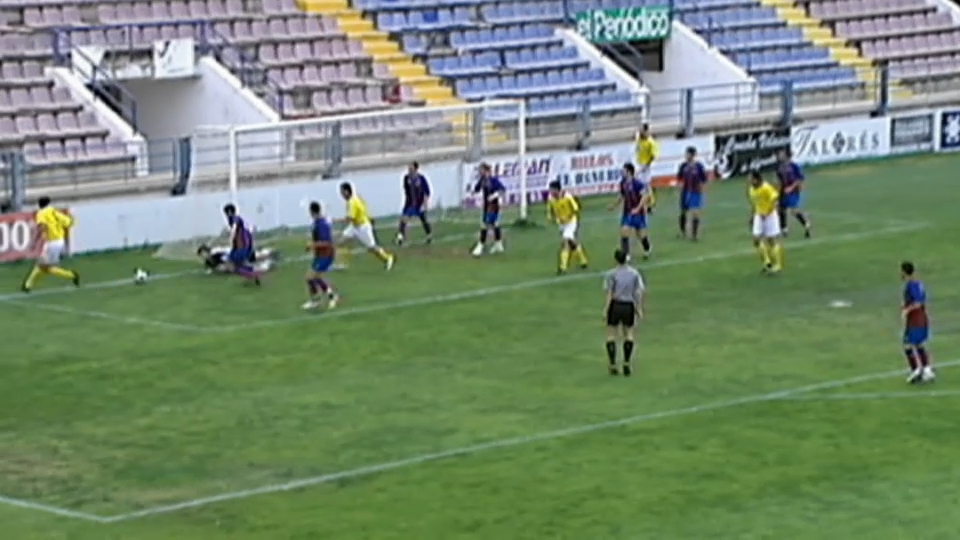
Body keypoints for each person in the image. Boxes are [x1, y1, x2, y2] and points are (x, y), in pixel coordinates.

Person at [21, 196, 79, 292]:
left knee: (43, 266)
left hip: (52, 243)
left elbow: (41, 227)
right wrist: (72, 219)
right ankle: (27, 285)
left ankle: (27, 285)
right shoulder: (55, 211)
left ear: (39, 205)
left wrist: (34, 241)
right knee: (45, 267)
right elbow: (68, 222)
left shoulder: (41, 213)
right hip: (59, 241)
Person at [603, 249, 645, 376]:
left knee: (611, 335)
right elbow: (638, 292)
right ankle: (626, 362)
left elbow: (610, 293)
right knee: (629, 334)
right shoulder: (634, 274)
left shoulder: (611, 274)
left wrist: (606, 309)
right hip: (628, 305)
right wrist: (638, 308)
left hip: (615, 305)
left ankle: (612, 364)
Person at [338, 182, 394, 270]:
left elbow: (350, 218)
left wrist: (334, 220)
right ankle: (342, 263)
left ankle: (387, 258)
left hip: (362, 227)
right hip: (355, 226)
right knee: (341, 241)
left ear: (346, 192)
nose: (341, 194)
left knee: (372, 248)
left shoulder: (352, 202)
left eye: (341, 192)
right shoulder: (355, 198)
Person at [608, 162, 652, 259]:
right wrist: (614, 205)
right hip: (627, 212)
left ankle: (647, 247)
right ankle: (626, 254)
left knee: (640, 234)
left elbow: (645, 196)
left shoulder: (637, 183)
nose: (622, 172)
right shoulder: (622, 183)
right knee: (624, 231)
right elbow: (621, 195)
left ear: (629, 172)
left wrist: (638, 208)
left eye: (624, 170)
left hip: (638, 213)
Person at [901, 261, 935, 383]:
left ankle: (918, 370)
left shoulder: (912, 285)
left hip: (916, 320)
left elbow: (918, 302)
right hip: (918, 319)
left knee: (909, 344)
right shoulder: (917, 284)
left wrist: (907, 310)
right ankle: (925, 370)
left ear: (904, 272)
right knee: (917, 344)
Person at [303, 201, 339, 310]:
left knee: (311, 277)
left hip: (326, 255)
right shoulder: (317, 223)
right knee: (312, 278)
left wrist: (312, 245)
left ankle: (329, 298)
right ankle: (319, 300)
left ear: (312, 212)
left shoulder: (321, 224)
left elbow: (326, 242)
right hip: (319, 255)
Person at [546, 180, 588, 274]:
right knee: (571, 242)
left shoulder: (567, 196)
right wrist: (551, 217)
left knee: (565, 241)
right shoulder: (551, 198)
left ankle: (563, 267)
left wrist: (568, 217)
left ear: (557, 189)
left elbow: (576, 209)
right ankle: (583, 260)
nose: (551, 192)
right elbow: (550, 209)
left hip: (571, 222)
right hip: (561, 224)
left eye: (552, 190)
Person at [748, 171, 784, 274]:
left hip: (770, 216)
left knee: (771, 240)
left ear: (756, 179)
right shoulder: (751, 189)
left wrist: (767, 212)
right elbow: (755, 204)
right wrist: (752, 216)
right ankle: (767, 262)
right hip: (759, 215)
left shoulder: (766, 187)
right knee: (756, 239)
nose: (749, 181)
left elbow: (774, 200)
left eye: (751, 179)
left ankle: (778, 265)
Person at [470, 163, 507, 257]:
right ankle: (498, 244)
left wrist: (494, 196)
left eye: (481, 170)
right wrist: (473, 192)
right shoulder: (482, 180)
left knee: (485, 225)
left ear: (486, 170)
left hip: (494, 205)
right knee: (494, 224)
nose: (480, 172)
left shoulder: (493, 180)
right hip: (486, 205)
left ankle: (480, 245)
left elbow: (502, 190)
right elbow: (477, 188)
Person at [222, 203, 261, 285]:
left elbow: (234, 228)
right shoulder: (234, 219)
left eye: (225, 212)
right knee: (232, 263)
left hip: (242, 245)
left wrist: (231, 237)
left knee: (235, 265)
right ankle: (252, 272)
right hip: (241, 245)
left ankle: (253, 273)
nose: (225, 215)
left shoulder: (235, 218)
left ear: (229, 212)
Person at [776, 149, 812, 238]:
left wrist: (791, 187)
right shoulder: (780, 167)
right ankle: (784, 229)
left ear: (786, 156)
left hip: (793, 191)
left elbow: (800, 178)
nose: (779, 156)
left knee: (793, 211)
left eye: (781, 155)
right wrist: (778, 190)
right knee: (781, 209)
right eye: (779, 155)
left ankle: (806, 224)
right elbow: (780, 180)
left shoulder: (794, 166)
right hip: (783, 191)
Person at [396, 161, 433, 246]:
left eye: (411, 168)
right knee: (403, 219)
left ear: (416, 169)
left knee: (423, 219)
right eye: (409, 168)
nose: (409, 169)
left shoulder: (421, 178)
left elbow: (427, 191)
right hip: (409, 203)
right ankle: (400, 238)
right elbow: (406, 189)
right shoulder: (406, 178)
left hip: (419, 203)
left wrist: (425, 203)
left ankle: (429, 235)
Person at [677, 146, 708, 241]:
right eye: (686, 154)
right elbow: (679, 178)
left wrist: (702, 189)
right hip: (685, 192)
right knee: (683, 211)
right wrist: (680, 186)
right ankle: (683, 231)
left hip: (695, 192)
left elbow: (704, 179)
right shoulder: (683, 166)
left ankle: (694, 235)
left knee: (695, 213)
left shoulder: (699, 166)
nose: (686, 156)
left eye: (688, 154)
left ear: (693, 155)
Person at [196, 244, 277, 274]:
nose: (203, 256)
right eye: (201, 255)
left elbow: (227, 259)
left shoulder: (215, 253)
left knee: (255, 257)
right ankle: (267, 264)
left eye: (203, 254)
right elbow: (212, 269)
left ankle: (269, 253)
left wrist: (230, 267)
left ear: (206, 251)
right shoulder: (208, 262)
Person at [635, 123, 658, 213]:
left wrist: (647, 165)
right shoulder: (639, 138)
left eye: (642, 130)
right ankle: (647, 203)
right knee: (643, 185)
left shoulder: (651, 142)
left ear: (646, 131)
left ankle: (650, 204)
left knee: (645, 185)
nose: (640, 131)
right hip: (639, 163)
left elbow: (653, 156)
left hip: (645, 165)